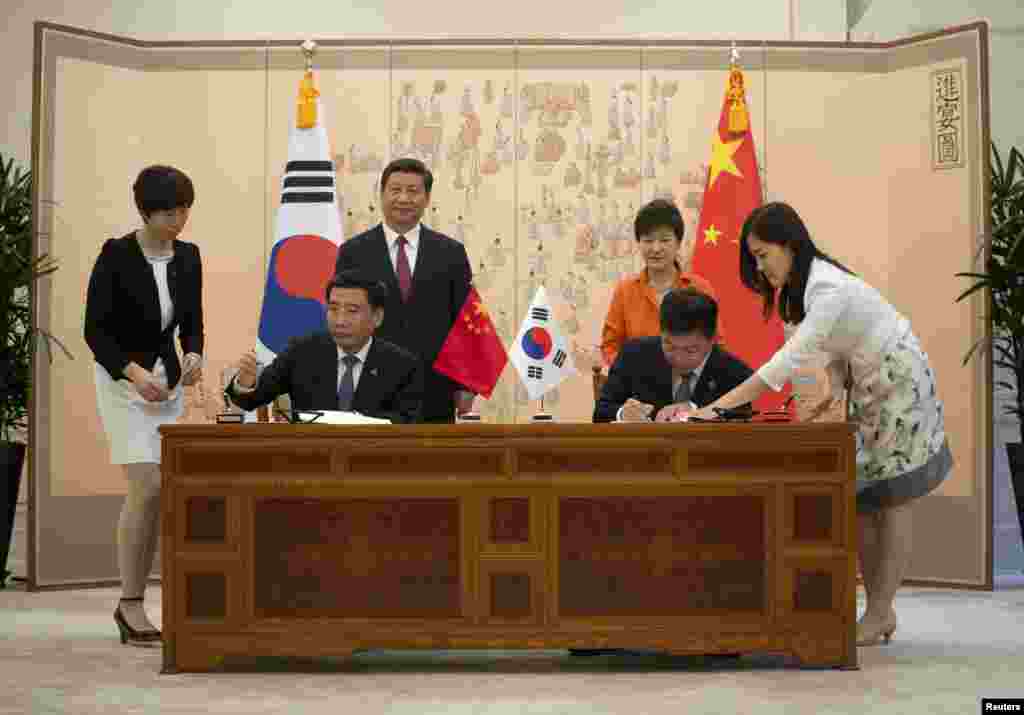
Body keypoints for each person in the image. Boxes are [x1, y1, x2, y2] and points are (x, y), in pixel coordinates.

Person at [677, 202, 953, 646]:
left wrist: (713, 410)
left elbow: (785, 364)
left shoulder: (826, 288)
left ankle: (880, 612)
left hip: (898, 380)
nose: (759, 265)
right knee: (863, 497)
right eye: (754, 257)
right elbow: (839, 348)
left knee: (894, 497)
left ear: (789, 245)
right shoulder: (807, 288)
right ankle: (876, 610)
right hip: (869, 382)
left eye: (763, 254)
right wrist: (831, 390)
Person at [84, 165, 204, 645]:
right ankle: (130, 603)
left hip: (166, 384)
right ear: (146, 212)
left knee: (165, 491)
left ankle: (158, 599)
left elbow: (192, 320)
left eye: (184, 211)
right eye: (169, 213)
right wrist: (132, 373)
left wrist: (193, 354)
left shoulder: (189, 257)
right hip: (123, 383)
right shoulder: (115, 255)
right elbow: (95, 331)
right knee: (148, 485)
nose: (178, 221)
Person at [335, 158, 474, 423]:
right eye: (395, 190)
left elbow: (465, 322)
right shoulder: (353, 253)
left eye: (413, 191)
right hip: (370, 384)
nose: (403, 198)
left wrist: (466, 383)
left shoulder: (450, 253)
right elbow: (342, 321)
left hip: (434, 387)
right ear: (382, 194)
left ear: (427, 197)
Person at [227, 271, 424, 424]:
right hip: (311, 464)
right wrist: (245, 383)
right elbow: (251, 400)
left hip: (373, 466)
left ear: (377, 317)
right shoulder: (302, 353)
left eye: (352, 311)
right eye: (333, 309)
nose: (340, 320)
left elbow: (405, 424)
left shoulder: (402, 365)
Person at [594, 288, 752, 423]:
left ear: (712, 340)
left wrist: (694, 410)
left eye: (690, 350)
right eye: (669, 346)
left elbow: (740, 420)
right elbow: (601, 412)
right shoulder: (634, 355)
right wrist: (623, 413)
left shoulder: (735, 373)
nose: (678, 358)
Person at [599, 198, 723, 368]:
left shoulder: (700, 288)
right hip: (637, 389)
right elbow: (610, 346)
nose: (656, 248)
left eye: (664, 240)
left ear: (678, 243)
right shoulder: (625, 291)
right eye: (648, 240)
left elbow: (717, 345)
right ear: (639, 243)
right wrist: (629, 373)